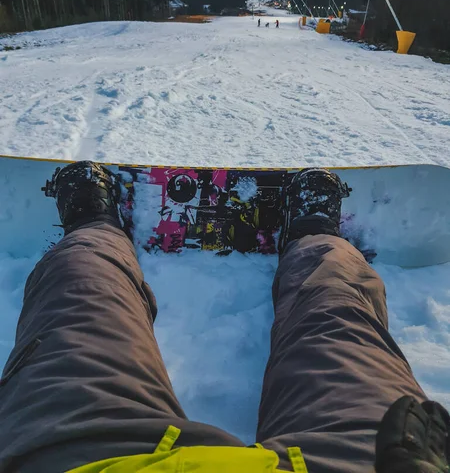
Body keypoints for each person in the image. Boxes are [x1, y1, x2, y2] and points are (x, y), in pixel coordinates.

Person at [0, 161, 448, 473]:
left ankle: (94, 228)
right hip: (364, 461)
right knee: (339, 316)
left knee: (79, 295)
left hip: (88, 460)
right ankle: (313, 236)